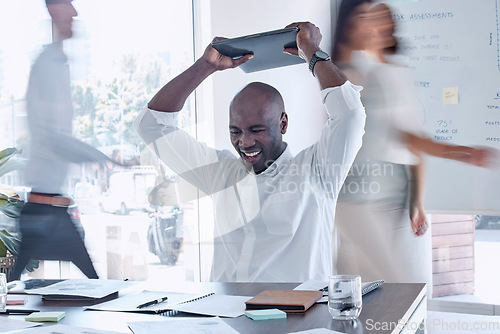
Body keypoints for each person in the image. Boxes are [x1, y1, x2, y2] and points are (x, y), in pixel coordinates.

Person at [134, 22, 366, 282]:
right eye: (235, 131)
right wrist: (206, 66)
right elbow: (151, 125)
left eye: (257, 130)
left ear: (283, 123)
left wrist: (310, 51)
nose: (244, 142)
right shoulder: (218, 172)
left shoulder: (317, 171)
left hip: (297, 317)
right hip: (223, 316)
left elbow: (350, 113)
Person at [331, 0, 494, 285]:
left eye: (379, 18)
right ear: (349, 23)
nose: (373, 24)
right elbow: (409, 137)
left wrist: (417, 198)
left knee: (372, 291)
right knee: (392, 290)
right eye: (366, 17)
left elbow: (409, 139)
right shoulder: (346, 73)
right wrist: (462, 154)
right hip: (356, 198)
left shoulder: (386, 73)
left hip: (388, 196)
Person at [12, 0, 113, 280]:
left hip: (46, 208)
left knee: (13, 291)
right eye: (69, 4)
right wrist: (99, 157)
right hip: (45, 211)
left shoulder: (55, 61)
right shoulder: (49, 64)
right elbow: (52, 137)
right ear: (54, 10)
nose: (75, 13)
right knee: (97, 289)